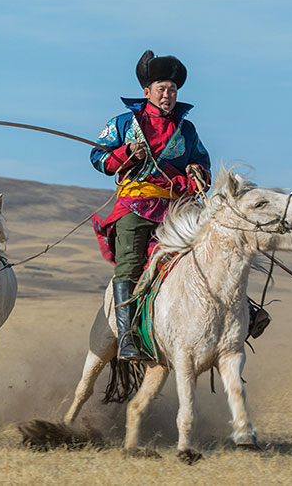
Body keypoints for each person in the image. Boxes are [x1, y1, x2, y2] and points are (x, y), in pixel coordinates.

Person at [90, 50, 211, 361]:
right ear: (147, 92)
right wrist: (128, 152)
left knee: (206, 257)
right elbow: (98, 158)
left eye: (172, 90)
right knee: (129, 267)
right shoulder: (123, 123)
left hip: (176, 211)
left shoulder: (187, 130)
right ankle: (128, 337)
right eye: (162, 89)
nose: (168, 95)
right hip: (134, 206)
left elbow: (201, 160)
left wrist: (199, 173)